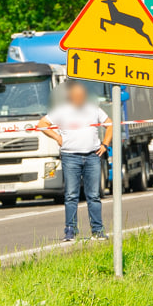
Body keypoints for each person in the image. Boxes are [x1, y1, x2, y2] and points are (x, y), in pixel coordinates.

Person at [38, 81, 112, 243]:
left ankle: (98, 230)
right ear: (70, 96)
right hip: (70, 157)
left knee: (93, 195)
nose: (79, 98)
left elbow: (110, 124)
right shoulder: (61, 110)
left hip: (92, 156)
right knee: (71, 195)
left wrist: (105, 144)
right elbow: (42, 124)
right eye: (76, 96)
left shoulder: (93, 109)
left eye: (81, 95)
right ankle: (70, 230)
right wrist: (57, 137)